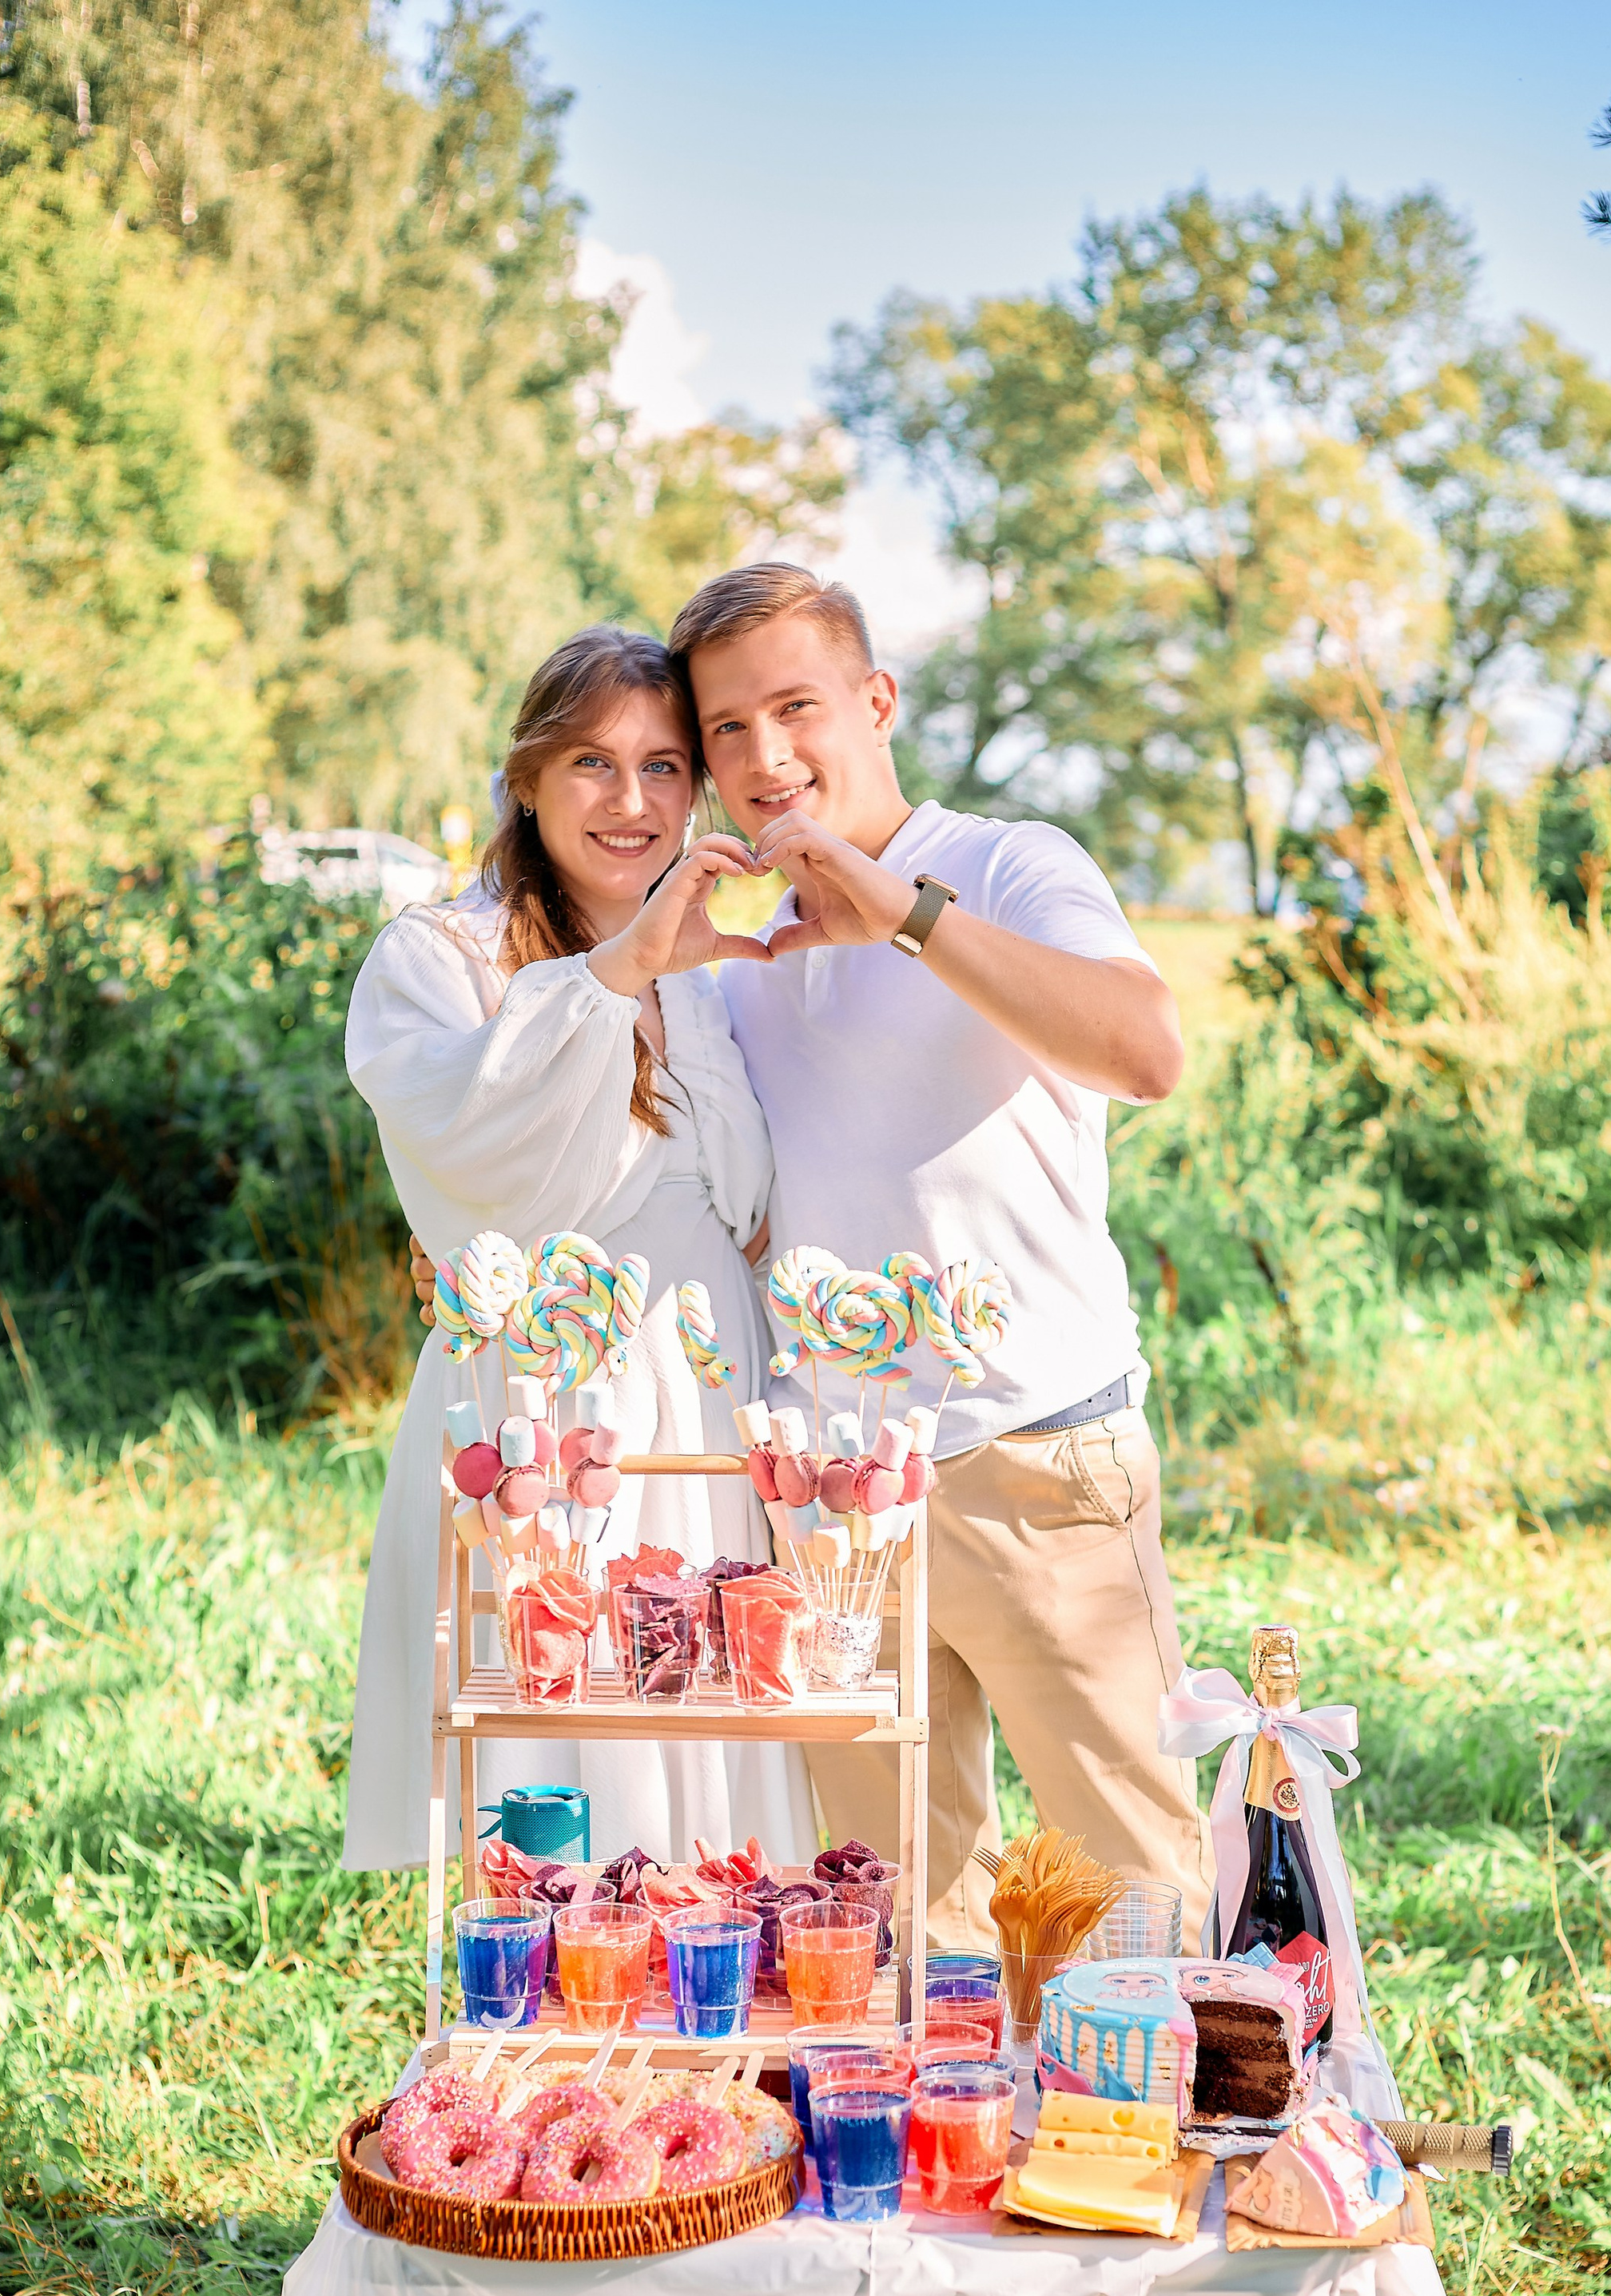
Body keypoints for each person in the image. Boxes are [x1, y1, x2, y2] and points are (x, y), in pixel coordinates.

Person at [674, 563, 1211, 1948]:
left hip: (1037, 1459)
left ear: (876, 700)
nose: (764, 755)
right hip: (838, 1501)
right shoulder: (734, 955)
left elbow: (1145, 1051)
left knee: (1136, 1893)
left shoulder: (1009, 863)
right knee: (899, 1929)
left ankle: (1190, 2158)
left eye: (796, 706)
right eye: (726, 729)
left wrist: (906, 917)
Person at [343, 623, 817, 1876]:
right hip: (553, 1412)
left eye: (666, 768)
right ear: (528, 780)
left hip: (715, 1404)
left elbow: (753, 1201)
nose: (633, 800)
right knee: (570, 1757)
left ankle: (713, 2033)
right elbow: (485, 1174)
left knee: (725, 1747)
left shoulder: (712, 980)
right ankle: (558, 2031)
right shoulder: (444, 960)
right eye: (593, 765)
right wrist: (623, 970)